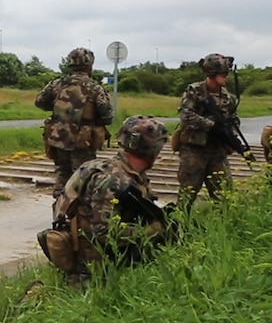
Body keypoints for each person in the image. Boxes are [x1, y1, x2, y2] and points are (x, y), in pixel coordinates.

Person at [42, 115, 171, 288]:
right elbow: (104, 231)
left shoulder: (123, 171)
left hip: (101, 259)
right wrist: (151, 231)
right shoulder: (112, 179)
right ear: (152, 150)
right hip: (90, 270)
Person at [34, 47, 114, 199]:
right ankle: (79, 216)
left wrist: (61, 108)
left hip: (58, 137)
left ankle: (59, 211)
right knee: (83, 179)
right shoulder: (95, 88)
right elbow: (108, 116)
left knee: (62, 174)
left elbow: (39, 102)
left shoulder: (57, 84)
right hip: (82, 141)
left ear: (70, 65)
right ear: (90, 66)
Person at [174, 53, 245, 209]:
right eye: (223, 74)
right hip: (194, 150)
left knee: (224, 196)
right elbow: (186, 115)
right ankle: (177, 228)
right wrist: (211, 126)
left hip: (218, 151)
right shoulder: (195, 91)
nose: (226, 77)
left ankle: (223, 228)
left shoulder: (228, 97)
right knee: (187, 194)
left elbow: (234, 118)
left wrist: (229, 132)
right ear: (212, 74)